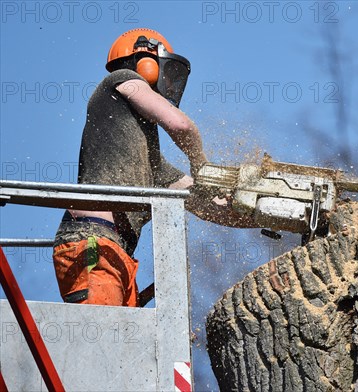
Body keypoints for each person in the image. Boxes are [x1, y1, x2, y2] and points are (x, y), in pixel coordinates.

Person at [52, 28, 248, 307]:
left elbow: (207, 204)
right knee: (107, 339)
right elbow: (180, 125)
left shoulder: (152, 165)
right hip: (92, 243)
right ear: (146, 62)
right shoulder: (121, 80)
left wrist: (254, 208)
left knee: (125, 346)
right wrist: (201, 165)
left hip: (117, 254)